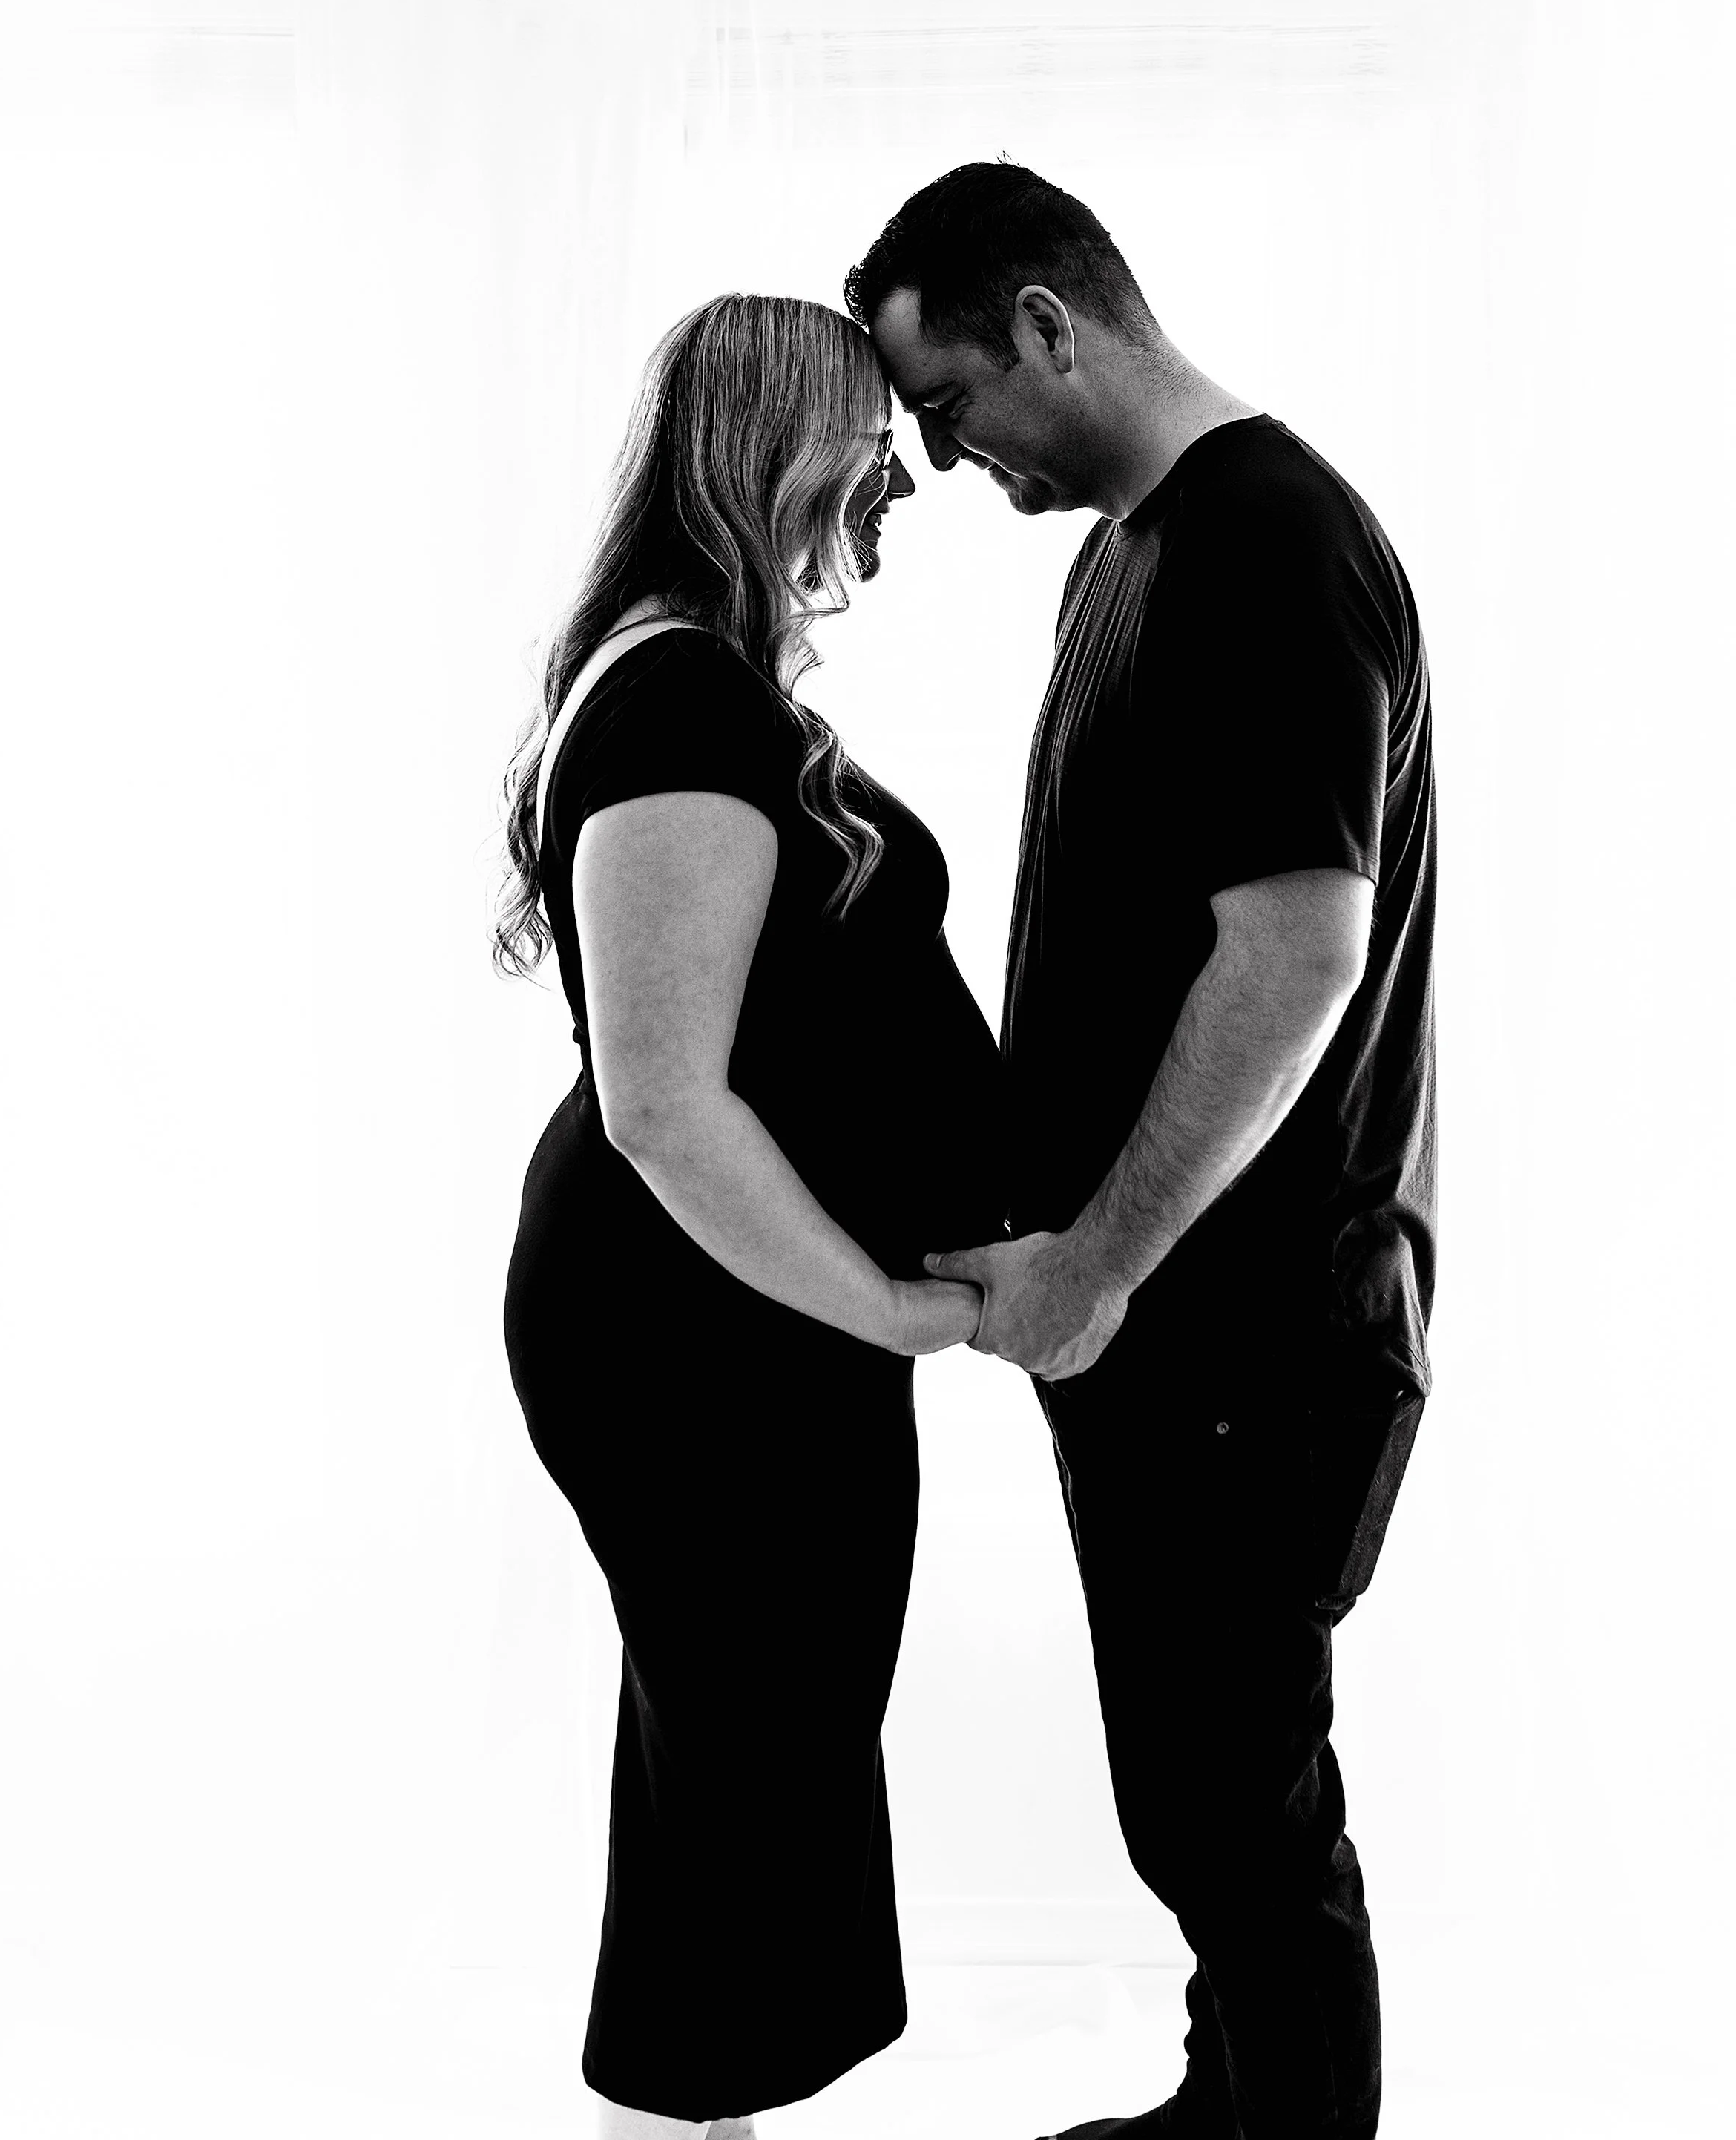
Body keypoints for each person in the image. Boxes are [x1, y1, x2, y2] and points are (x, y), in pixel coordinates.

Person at [845, 163, 1436, 2140]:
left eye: (948, 406)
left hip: (1249, 1324)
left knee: (1250, 1809)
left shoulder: (1268, 535)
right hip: (1164, 1322)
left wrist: (1097, 1257)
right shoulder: (1137, 551)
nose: (937, 460)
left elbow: (1297, 951)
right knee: (1197, 1792)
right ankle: (1227, 2110)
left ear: (1046, 321)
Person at [493, 293, 1005, 2140]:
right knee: (755, 1748)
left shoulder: (699, 680)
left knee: (746, 1744)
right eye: (872, 450)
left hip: (728, 1312)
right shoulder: (678, 704)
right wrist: (884, 1309)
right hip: (691, 1326)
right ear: (772, 452)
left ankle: (700, 2117)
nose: (900, 486)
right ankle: (694, 2117)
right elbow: (666, 1107)